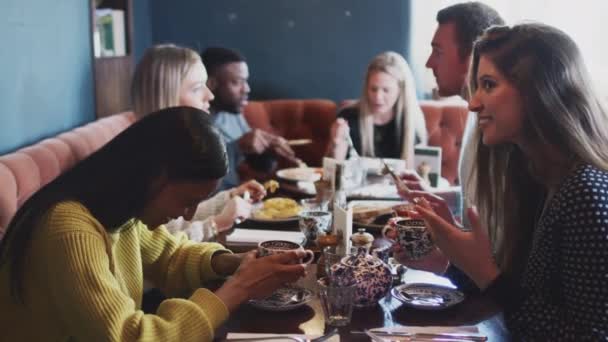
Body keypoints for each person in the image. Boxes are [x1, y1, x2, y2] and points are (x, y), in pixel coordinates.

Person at [0, 107, 307, 341]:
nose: (188, 215)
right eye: (187, 200)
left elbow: (170, 257)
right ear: (154, 177)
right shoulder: (69, 229)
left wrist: (235, 263)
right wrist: (239, 288)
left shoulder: (121, 213)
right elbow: (128, 336)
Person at [409, 23, 608, 340]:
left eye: (488, 85)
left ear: (539, 92)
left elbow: (589, 337)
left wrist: (487, 273)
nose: (473, 104)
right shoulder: (534, 176)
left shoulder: (586, 192)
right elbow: (519, 299)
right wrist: (448, 262)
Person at [397, 2, 504, 278]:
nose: (428, 62)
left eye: (438, 51)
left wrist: (445, 263)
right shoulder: (474, 117)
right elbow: (482, 204)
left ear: (471, 56)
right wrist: (437, 196)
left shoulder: (501, 128)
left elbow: (500, 233)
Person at [131, 44, 265, 242]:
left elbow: (176, 222)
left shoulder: (171, 146)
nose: (209, 95)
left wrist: (228, 198)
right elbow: (153, 248)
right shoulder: (143, 161)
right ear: (167, 96)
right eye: (196, 88)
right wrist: (217, 223)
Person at [201, 46, 299, 190]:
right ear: (211, 84)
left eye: (245, 81)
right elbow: (208, 188)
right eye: (237, 82)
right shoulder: (195, 123)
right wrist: (238, 146)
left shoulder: (233, 113)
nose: (247, 89)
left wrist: (268, 151)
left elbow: (257, 165)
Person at [327, 51, 427, 166]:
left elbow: (418, 173)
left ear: (400, 91)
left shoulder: (412, 123)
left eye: (386, 90)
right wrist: (336, 144)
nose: (378, 97)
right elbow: (333, 172)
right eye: (373, 89)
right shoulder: (348, 117)